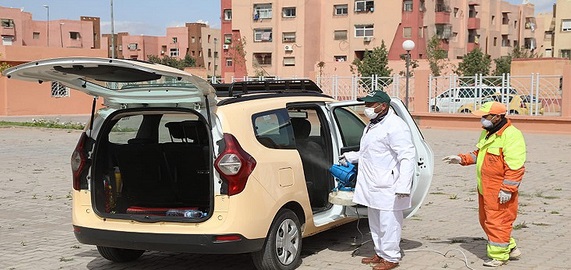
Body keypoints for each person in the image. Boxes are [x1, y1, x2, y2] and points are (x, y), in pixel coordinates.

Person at [443, 101, 526, 267]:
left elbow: (515, 166)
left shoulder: (511, 135)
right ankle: (510, 247)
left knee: (497, 221)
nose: (482, 119)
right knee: (486, 220)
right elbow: (479, 154)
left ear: (497, 117)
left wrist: (508, 189)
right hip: (485, 187)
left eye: (485, 116)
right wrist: (461, 159)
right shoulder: (488, 133)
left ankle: (499, 256)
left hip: (500, 189)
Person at [340, 90, 416, 270]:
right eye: (366, 104)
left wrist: (404, 185)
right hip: (372, 183)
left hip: (389, 186)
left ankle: (391, 257)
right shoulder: (373, 124)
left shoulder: (395, 126)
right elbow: (370, 152)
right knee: (374, 222)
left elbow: (407, 156)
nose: (367, 108)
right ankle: (380, 253)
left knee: (389, 222)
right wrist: (351, 157)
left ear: (383, 106)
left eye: (370, 105)